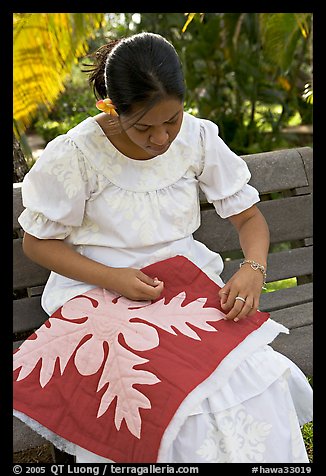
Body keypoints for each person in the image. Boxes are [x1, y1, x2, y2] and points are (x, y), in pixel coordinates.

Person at [14, 32, 312, 463]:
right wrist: (114, 278)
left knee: (255, 381)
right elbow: (38, 243)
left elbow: (249, 218)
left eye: (171, 120)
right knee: (173, 407)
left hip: (185, 288)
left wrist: (253, 267)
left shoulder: (196, 138)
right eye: (144, 127)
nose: (161, 138)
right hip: (99, 294)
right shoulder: (75, 154)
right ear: (112, 109)